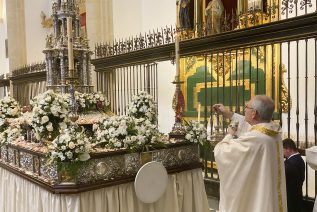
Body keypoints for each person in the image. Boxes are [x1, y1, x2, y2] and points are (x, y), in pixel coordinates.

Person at [213, 95, 287, 212]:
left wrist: (229, 135)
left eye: (246, 107)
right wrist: (228, 114)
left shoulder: (256, 138)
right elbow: (251, 124)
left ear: (254, 113)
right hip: (267, 193)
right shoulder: (273, 131)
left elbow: (221, 152)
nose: (244, 109)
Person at [283, 138, 305, 212]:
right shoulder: (299, 159)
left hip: (290, 199)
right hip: (297, 196)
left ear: (288, 149)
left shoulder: (291, 163)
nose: (282, 153)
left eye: (282, 150)